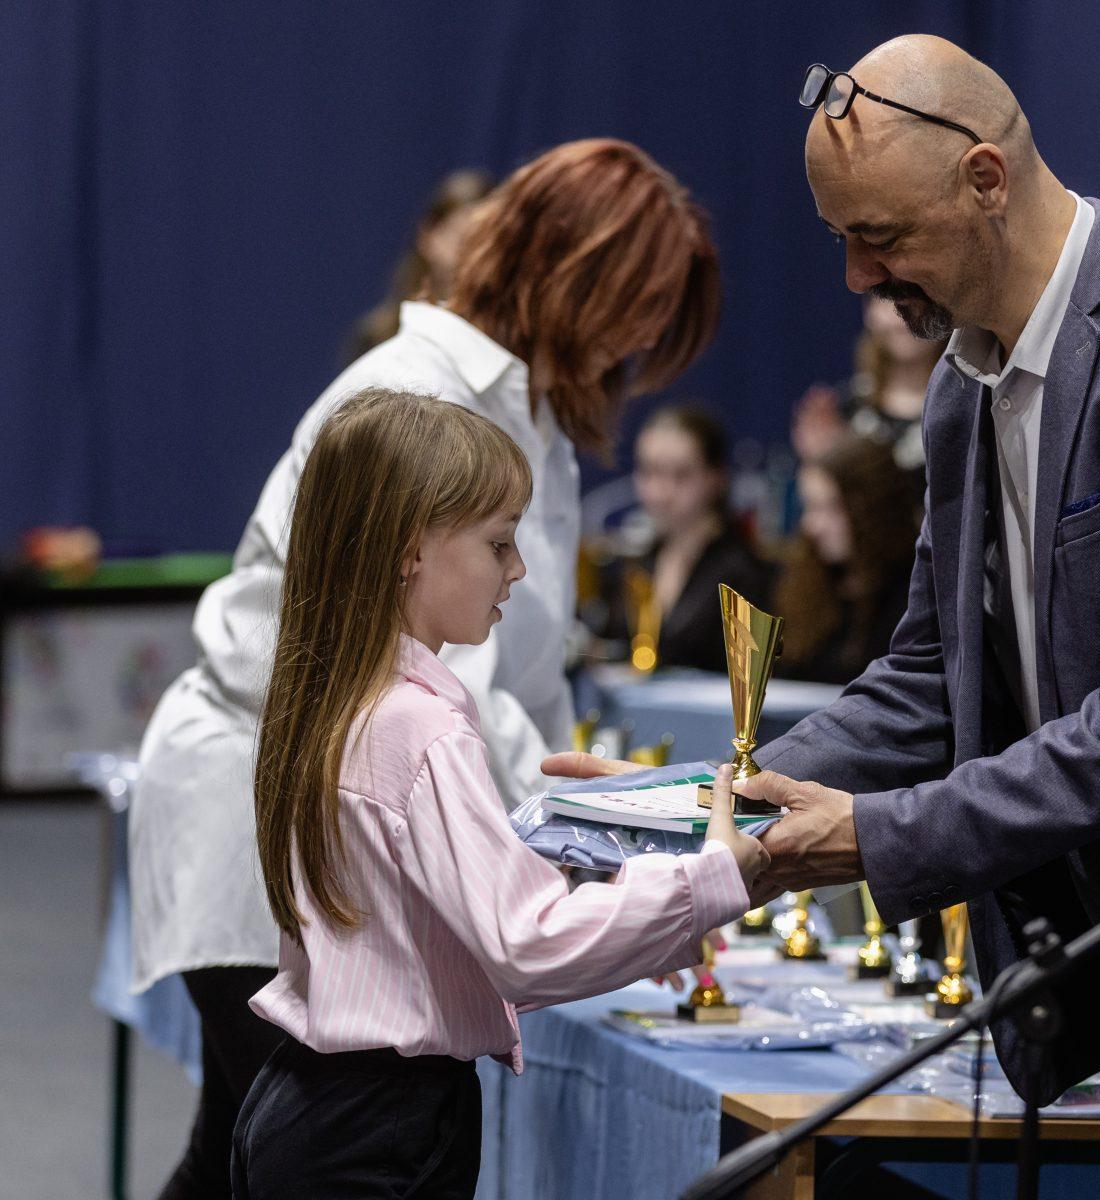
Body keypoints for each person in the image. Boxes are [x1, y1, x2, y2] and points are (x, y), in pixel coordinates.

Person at [554, 37, 1100, 1198]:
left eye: (879, 236)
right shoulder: (964, 383)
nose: (856, 277)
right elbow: (930, 680)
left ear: (985, 179)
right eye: (839, 239)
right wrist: (704, 804)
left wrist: (877, 838)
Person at [131, 138, 720, 1199]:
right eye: (636, 301)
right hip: (262, 815)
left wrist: (603, 843)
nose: (641, 336)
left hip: (359, 824)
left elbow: (524, 683)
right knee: (265, 1148)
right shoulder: (411, 392)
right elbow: (444, 693)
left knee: (241, 1156)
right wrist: (631, 863)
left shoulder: (534, 417)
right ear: (562, 267)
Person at [230, 389, 764, 1197]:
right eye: (499, 542)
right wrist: (707, 877)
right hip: (380, 1128)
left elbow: (434, 920)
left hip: (308, 1103)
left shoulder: (339, 697)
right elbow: (526, 945)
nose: (516, 569)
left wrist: (630, 905)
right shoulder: (419, 727)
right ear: (410, 549)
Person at [614, 404, 776, 672]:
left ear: (716, 477)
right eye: (649, 471)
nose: (660, 492)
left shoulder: (745, 574)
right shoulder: (637, 565)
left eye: (681, 475)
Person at [775, 432, 919, 684]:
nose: (813, 526)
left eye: (832, 507)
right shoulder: (805, 586)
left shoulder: (915, 595)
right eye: (809, 506)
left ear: (875, 508)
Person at [792, 294, 943, 491]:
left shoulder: (966, 405)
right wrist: (819, 462)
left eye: (920, 298)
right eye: (891, 299)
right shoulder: (845, 410)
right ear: (869, 312)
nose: (903, 320)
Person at [344, 167, 496, 362]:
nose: (472, 254)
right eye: (462, 239)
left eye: (483, 242)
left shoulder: (504, 335)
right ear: (428, 236)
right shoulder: (379, 334)